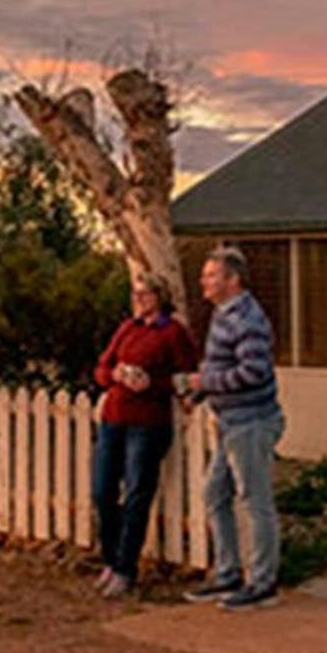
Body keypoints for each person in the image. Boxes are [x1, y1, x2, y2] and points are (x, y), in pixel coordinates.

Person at [177, 246, 285, 611]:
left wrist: (206, 379)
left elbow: (253, 372)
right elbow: (223, 367)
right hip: (230, 421)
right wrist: (201, 393)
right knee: (214, 494)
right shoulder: (223, 316)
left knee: (255, 501)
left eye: (211, 275)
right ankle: (227, 573)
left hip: (252, 421)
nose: (203, 282)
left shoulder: (247, 320)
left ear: (232, 280)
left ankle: (263, 582)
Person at [89, 276, 200, 598]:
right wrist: (115, 375)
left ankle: (126, 567)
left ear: (160, 297)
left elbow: (186, 378)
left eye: (144, 294)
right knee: (103, 491)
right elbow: (101, 368)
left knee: (137, 494)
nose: (138, 300)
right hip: (114, 417)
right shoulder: (128, 328)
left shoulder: (173, 333)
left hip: (148, 423)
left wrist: (152, 384)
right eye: (134, 294)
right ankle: (110, 558)